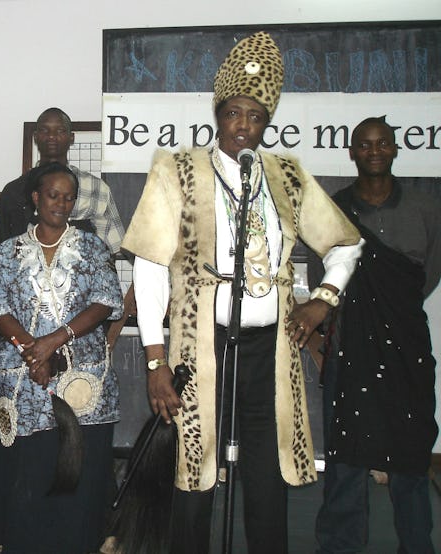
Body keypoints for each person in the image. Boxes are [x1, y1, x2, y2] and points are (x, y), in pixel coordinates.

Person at [120, 32, 363, 554]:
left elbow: (346, 244)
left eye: (255, 117)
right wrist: (155, 359)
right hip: (200, 348)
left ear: (266, 124)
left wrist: (323, 298)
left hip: (269, 348)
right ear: (218, 114)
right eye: (235, 113)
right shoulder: (178, 168)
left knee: (267, 473)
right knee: (195, 473)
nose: (244, 126)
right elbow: (150, 266)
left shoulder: (287, 174)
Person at [0, 162, 123, 554]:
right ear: (35, 198)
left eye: (68, 197)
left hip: (82, 374)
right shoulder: (9, 250)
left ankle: (78, 540)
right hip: (25, 375)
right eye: (53, 195)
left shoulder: (92, 246)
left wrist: (55, 341)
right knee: (34, 464)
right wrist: (33, 348)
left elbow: (106, 301)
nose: (61, 203)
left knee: (82, 464)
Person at [315, 116, 441, 554]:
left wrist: (392, 315)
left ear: (393, 149)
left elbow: (424, 277)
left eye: (381, 143)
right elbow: (326, 278)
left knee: (409, 457)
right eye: (364, 144)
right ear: (351, 151)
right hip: (352, 350)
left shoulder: (426, 208)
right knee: (347, 461)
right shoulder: (336, 208)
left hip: (408, 350)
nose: (373, 151)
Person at [0, 107, 125, 265]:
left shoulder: (96, 189)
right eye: (45, 130)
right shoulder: (14, 192)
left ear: (71, 137)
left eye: (60, 131)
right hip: (27, 285)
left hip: (83, 284)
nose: (52, 136)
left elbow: (109, 253)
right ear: (35, 137)